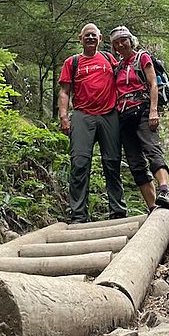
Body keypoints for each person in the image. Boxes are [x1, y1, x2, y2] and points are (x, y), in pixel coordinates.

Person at [57, 23, 127, 223]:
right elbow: (64, 92)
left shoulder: (108, 58)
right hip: (82, 115)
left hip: (109, 115)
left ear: (100, 38)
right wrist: (64, 117)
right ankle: (78, 214)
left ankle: (118, 211)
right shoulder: (73, 62)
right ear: (80, 38)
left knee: (112, 162)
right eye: (86, 35)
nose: (90, 38)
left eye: (93, 35)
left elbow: (124, 77)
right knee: (79, 163)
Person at [109, 25, 169, 212]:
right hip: (124, 117)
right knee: (135, 161)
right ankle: (153, 206)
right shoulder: (119, 66)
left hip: (144, 111)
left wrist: (154, 110)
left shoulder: (142, 57)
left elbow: (153, 83)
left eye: (123, 40)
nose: (120, 44)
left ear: (131, 41)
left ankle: (165, 191)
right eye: (116, 43)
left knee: (152, 150)